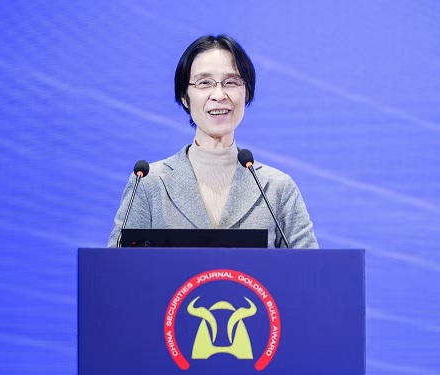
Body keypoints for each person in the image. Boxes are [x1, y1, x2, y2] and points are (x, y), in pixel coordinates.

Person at [107, 35, 318, 248]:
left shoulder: (277, 187)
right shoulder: (149, 183)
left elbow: (309, 267)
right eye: (204, 83)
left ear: (246, 92)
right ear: (184, 97)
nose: (219, 95)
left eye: (231, 82)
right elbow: (117, 265)